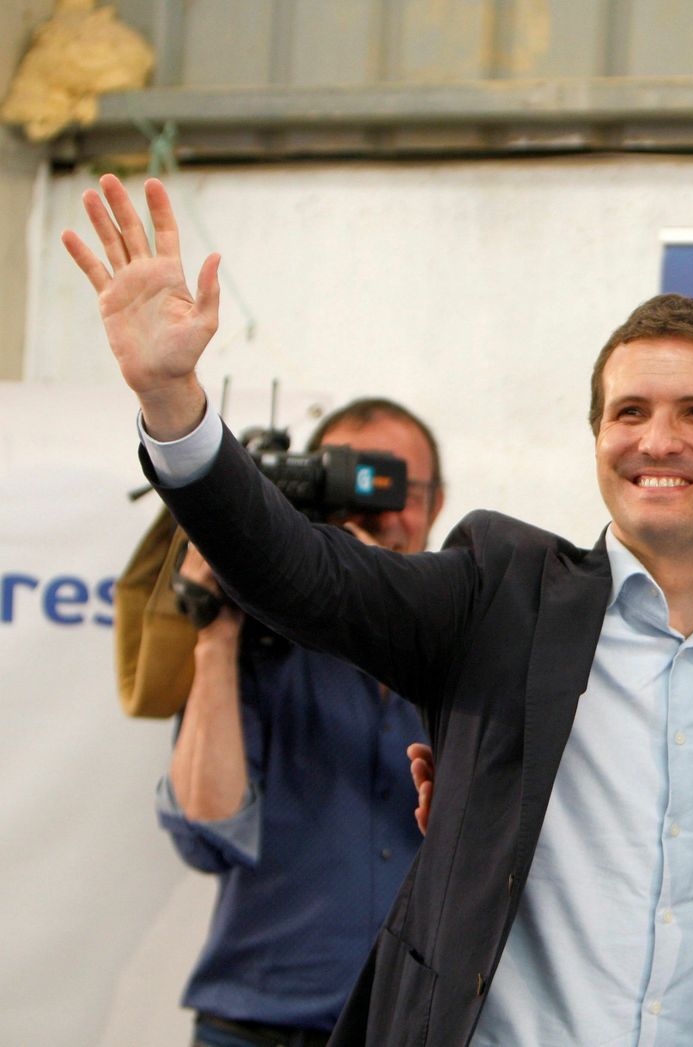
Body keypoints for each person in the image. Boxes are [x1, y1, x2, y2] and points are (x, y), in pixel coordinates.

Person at [63, 172, 693, 1044]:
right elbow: (305, 573)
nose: (657, 441)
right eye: (629, 411)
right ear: (598, 437)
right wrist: (173, 401)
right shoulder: (501, 592)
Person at [157, 398, 443, 1047]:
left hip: (411, 1028)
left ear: (437, 501)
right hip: (257, 1025)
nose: (376, 513)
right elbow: (205, 832)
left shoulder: (464, 651)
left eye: (396, 486)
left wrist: (386, 598)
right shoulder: (258, 645)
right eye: (350, 486)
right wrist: (217, 627)